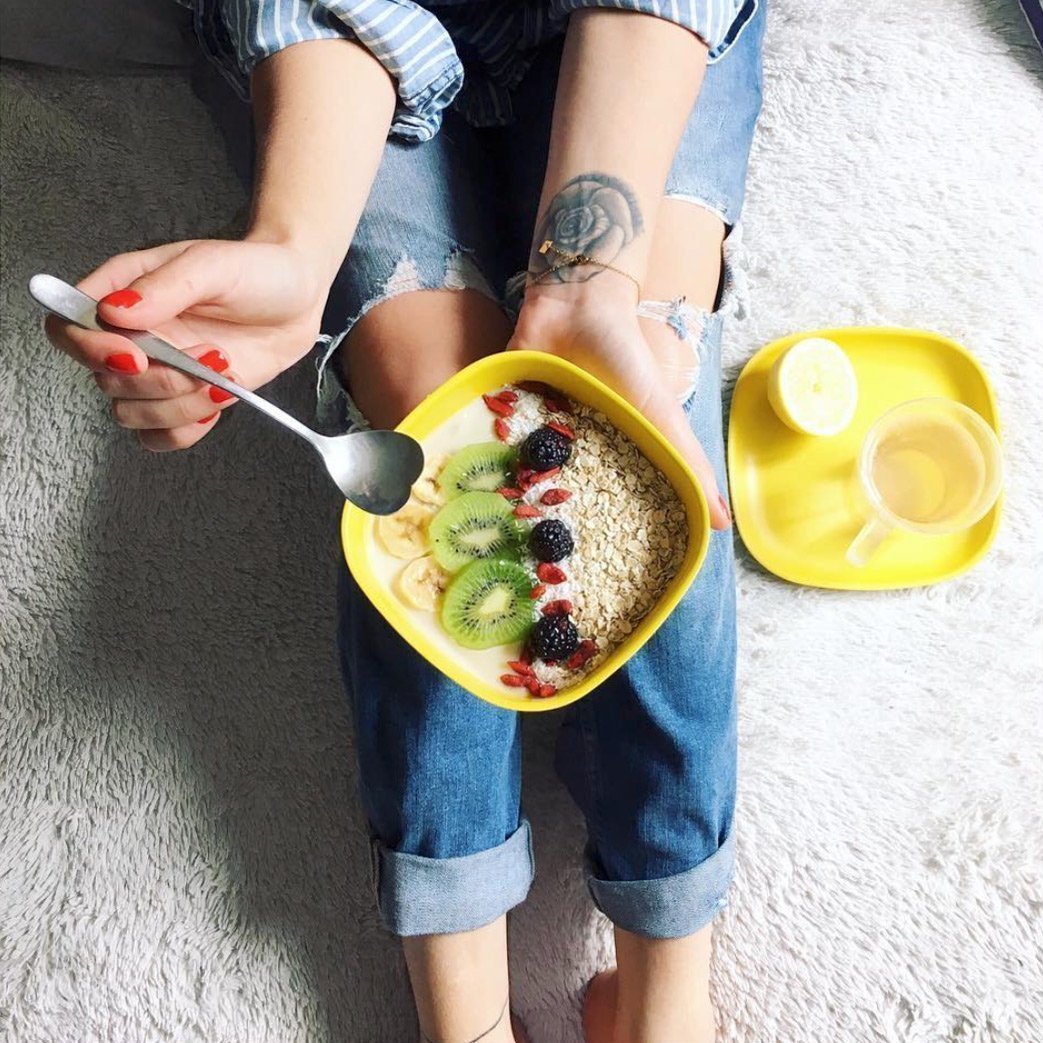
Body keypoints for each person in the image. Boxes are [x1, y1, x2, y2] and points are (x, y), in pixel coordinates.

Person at [45, 1, 764, 1039]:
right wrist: (295, 246)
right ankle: (463, 1007)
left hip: (639, 21)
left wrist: (583, 281)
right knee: (438, 458)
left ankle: (664, 988)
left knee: (638, 410)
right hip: (339, 28)